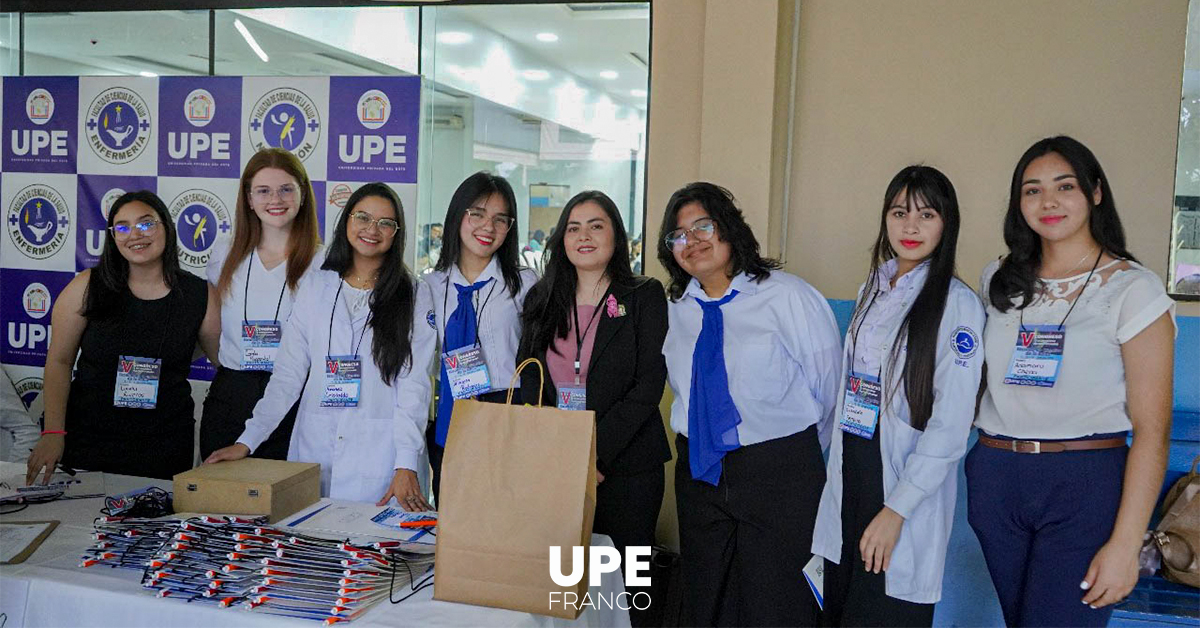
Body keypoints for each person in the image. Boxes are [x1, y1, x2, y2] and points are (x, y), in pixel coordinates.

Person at [969, 136, 1175, 626]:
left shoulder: (1132, 288)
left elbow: (1153, 431)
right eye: (1032, 190)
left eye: (1065, 186)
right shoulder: (997, 278)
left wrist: (1127, 544)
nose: (1049, 202)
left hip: (1085, 481)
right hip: (997, 477)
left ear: (1095, 193)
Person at [659, 182, 842, 626]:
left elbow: (829, 390)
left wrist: (787, 457)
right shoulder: (678, 307)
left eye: (703, 225)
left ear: (730, 228)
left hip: (779, 472)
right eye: (679, 235)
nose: (693, 241)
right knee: (709, 597)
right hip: (701, 471)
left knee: (777, 601)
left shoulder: (788, 296)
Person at [811, 166, 984, 626]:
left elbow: (952, 422)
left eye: (927, 214)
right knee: (841, 610)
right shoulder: (875, 286)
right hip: (854, 465)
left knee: (884, 613)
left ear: (947, 224)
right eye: (899, 212)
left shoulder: (956, 302)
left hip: (901, 483)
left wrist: (896, 510)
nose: (910, 226)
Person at [205, 183, 436, 509]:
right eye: (363, 217)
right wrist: (247, 440)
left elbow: (414, 386)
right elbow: (287, 376)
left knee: (373, 553)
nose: (372, 229)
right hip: (315, 449)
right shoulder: (316, 285)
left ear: (397, 233)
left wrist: (406, 463)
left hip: (381, 457)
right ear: (346, 221)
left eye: (386, 223)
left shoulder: (412, 293)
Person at [517, 191, 670, 627]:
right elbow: (529, 377)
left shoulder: (644, 295)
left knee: (628, 581)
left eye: (596, 225)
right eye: (573, 227)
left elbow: (648, 385)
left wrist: (592, 455)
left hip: (628, 469)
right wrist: (564, 453)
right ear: (561, 239)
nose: (584, 236)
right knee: (566, 583)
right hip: (557, 466)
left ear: (616, 237)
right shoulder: (542, 298)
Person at [26, 191, 220, 483]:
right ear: (113, 236)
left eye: (145, 224)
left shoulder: (199, 294)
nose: (135, 235)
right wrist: (53, 433)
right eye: (123, 227)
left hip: (164, 445)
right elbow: (60, 361)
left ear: (165, 226)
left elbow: (226, 363)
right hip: (90, 439)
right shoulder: (88, 286)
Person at [200, 148, 323, 461]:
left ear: (303, 194)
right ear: (249, 198)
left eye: (286, 189)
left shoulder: (324, 263)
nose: (275, 200)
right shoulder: (223, 255)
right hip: (231, 395)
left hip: (294, 400)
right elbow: (211, 329)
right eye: (263, 191)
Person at [422, 172, 538, 502]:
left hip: (509, 411)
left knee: (508, 514)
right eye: (478, 213)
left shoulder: (524, 284)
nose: (488, 227)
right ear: (458, 214)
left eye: (500, 219)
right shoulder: (429, 288)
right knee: (455, 514)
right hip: (452, 410)